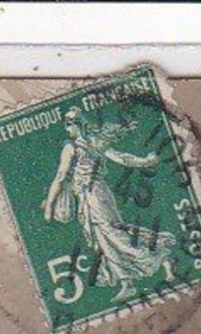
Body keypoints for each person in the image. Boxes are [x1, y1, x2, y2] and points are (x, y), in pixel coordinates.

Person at [40, 107, 177, 302]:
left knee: (113, 233)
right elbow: (122, 158)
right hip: (92, 196)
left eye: (68, 124)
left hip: (93, 195)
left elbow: (61, 177)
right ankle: (127, 282)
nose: (67, 128)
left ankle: (158, 256)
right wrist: (145, 161)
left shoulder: (71, 147)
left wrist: (49, 208)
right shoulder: (94, 142)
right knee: (104, 237)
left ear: (76, 125)